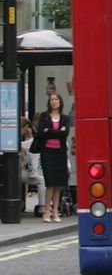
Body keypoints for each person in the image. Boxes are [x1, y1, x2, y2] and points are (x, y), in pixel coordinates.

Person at [34, 93, 72, 223]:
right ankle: (46, 210)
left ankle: (56, 211)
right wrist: (57, 132)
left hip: (60, 154)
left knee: (58, 184)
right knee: (50, 183)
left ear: (60, 102)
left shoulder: (65, 118)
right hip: (47, 153)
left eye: (56, 99)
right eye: (51, 100)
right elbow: (40, 134)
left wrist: (49, 131)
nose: (54, 102)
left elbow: (65, 134)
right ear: (49, 102)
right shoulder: (44, 116)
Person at [19, 118, 45, 218]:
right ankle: (42, 206)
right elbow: (28, 145)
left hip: (21, 170)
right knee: (41, 181)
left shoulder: (21, 138)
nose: (27, 129)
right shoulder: (20, 140)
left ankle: (43, 205)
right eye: (26, 127)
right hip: (20, 172)